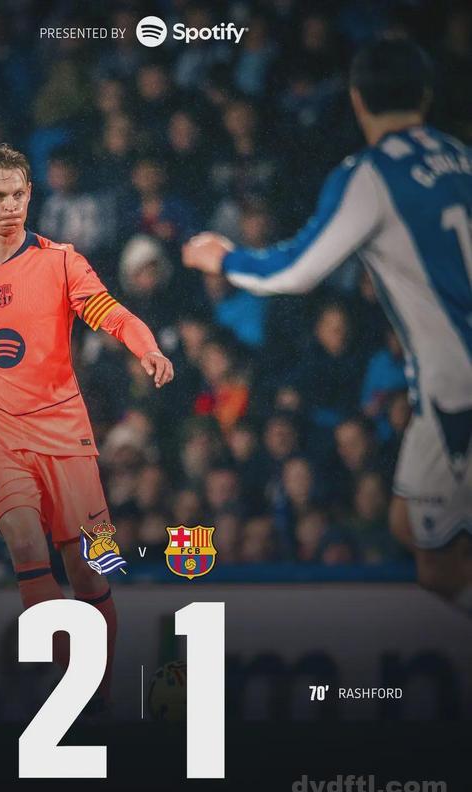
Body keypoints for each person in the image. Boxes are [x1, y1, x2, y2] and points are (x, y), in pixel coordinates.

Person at [182, 38, 472, 611]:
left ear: (358, 100)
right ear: (426, 96)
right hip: (440, 392)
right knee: (407, 526)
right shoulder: (462, 158)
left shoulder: (371, 174)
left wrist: (226, 259)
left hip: (455, 390)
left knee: (438, 564)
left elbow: (298, 270)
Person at [0, 144, 174, 707]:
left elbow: (111, 313)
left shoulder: (62, 262)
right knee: (25, 540)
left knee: (91, 567)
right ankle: (74, 686)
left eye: (18, 194)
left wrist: (147, 347)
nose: (10, 206)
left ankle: (99, 687)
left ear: (31, 194)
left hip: (65, 433)